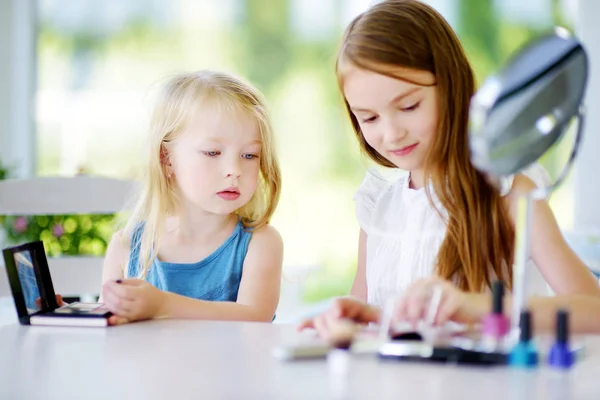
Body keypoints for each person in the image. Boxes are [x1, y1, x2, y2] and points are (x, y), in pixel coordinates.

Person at [300, 0, 600, 334]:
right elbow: (375, 320)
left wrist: (480, 308)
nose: (391, 133)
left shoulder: (511, 194)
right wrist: (357, 317)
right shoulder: (379, 207)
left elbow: (593, 310)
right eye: (368, 117)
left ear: (451, 86)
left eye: (409, 106)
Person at [98, 70, 283, 325]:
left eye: (250, 155)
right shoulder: (126, 246)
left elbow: (254, 317)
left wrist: (162, 305)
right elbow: (108, 326)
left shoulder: (260, 243)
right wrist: (73, 318)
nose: (235, 170)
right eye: (212, 152)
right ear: (167, 158)